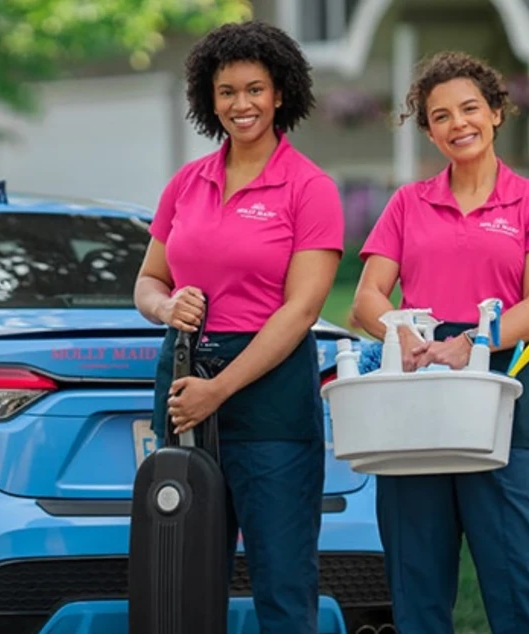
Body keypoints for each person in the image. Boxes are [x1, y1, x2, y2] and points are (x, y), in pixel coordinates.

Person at [133, 20, 345, 634]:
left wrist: (218, 391)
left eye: (254, 89)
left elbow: (301, 312)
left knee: (282, 577)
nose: (241, 104)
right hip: (182, 380)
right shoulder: (186, 183)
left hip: (268, 393)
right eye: (227, 92)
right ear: (209, 99)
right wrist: (166, 309)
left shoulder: (310, 189)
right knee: (180, 570)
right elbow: (149, 281)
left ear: (280, 94)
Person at [351, 50, 529, 633]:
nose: (459, 124)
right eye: (441, 116)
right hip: (413, 398)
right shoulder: (407, 204)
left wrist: (468, 342)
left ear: (497, 112)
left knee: (522, 577)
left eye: (470, 108)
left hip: (501, 391)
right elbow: (367, 296)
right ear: (428, 130)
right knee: (416, 585)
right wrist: (403, 332)